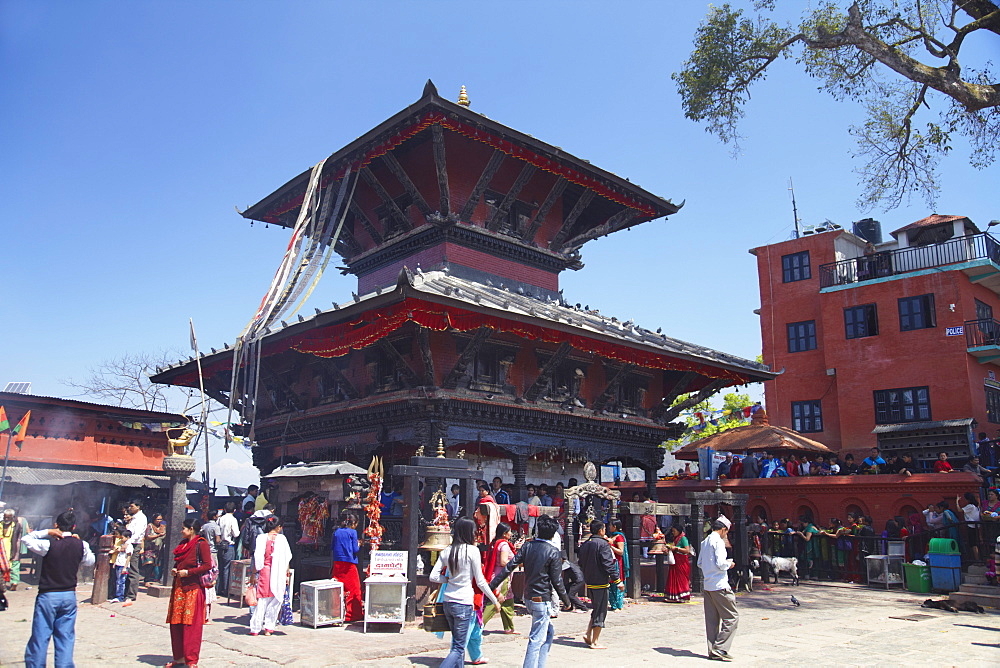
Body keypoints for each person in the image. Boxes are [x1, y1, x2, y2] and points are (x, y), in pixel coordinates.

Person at [489, 514, 571, 668]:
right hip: (541, 599)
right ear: (553, 534)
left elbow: (509, 567)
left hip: (529, 597)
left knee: (547, 633)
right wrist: (566, 601)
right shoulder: (553, 552)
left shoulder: (528, 546)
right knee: (536, 639)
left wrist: (492, 584)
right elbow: (557, 581)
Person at [22, 510, 96, 668]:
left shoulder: (49, 544)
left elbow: (26, 539)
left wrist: (47, 531)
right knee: (65, 637)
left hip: (48, 595)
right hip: (69, 595)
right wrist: (80, 542)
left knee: (40, 636)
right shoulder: (81, 545)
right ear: (74, 526)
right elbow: (90, 561)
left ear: (56, 525)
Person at [430, 517, 500, 668]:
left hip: (448, 601)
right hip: (463, 602)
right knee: (458, 647)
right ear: (469, 532)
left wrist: (447, 580)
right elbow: (480, 582)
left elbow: (433, 576)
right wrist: (494, 600)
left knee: (457, 643)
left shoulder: (447, 550)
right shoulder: (472, 551)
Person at [165, 518, 212, 667]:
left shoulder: (201, 544)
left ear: (191, 529)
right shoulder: (182, 544)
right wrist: (176, 570)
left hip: (193, 588)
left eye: (184, 528)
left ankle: (191, 660)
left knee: (191, 625)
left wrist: (189, 572)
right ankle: (179, 657)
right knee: (176, 623)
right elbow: (178, 561)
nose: (181, 531)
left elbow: (207, 565)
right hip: (179, 587)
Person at [697, 516, 738, 662]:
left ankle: (712, 649)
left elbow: (700, 563)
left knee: (712, 620)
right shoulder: (718, 542)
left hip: (708, 585)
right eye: (726, 532)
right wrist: (729, 564)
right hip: (720, 585)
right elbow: (721, 563)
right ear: (723, 529)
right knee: (732, 617)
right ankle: (720, 648)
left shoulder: (705, 541)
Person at [577, 520, 622, 649]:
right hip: (600, 582)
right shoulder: (602, 544)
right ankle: (595, 641)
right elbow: (608, 564)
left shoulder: (585, 544)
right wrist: (618, 581)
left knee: (596, 609)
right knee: (601, 611)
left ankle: (588, 633)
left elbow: (581, 562)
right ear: (600, 531)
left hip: (589, 581)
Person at [250, 515, 292, 636]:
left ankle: (255, 628)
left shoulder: (261, 538)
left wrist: (254, 573)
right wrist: (286, 573)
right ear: (278, 527)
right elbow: (287, 558)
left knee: (262, 599)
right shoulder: (282, 539)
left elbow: (257, 557)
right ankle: (269, 627)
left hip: (265, 571)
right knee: (276, 599)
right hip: (279, 572)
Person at [482, 522, 517, 633]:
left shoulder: (495, 543)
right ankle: (478, 626)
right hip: (502, 576)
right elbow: (503, 561)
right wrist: (516, 562)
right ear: (504, 534)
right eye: (509, 532)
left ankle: (509, 627)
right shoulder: (504, 545)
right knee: (495, 602)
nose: (511, 534)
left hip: (497, 574)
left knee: (508, 601)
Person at [330, 512, 363, 622]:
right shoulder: (352, 532)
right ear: (353, 523)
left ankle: (337, 612)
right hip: (349, 564)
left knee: (339, 588)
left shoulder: (336, 532)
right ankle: (352, 614)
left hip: (337, 563)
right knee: (354, 588)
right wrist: (359, 544)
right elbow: (355, 550)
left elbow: (332, 546)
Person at [124, 499, 147, 604]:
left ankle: (131, 594)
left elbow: (137, 534)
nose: (130, 508)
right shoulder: (133, 518)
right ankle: (125, 592)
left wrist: (128, 542)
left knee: (133, 568)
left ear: (138, 507)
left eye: (132, 506)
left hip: (134, 544)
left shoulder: (141, 518)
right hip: (129, 542)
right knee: (126, 567)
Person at [1, 507, 29, 591]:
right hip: (2, 549)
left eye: (8, 517)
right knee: (2, 566)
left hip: (13, 548)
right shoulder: (1, 524)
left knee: (14, 566)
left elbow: (16, 539)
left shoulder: (16, 526)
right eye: (5, 517)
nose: (6, 519)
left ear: (12, 517)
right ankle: (3, 583)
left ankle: (14, 583)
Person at [200, 510, 221, 622]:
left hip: (205, 550)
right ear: (214, 516)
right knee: (213, 572)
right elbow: (217, 540)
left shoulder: (204, 526)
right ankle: (213, 591)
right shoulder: (215, 527)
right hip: (213, 551)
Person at [665, 525, 693, 602]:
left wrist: (677, 548)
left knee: (681, 578)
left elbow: (687, 550)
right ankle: (674, 596)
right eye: (672, 531)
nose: (673, 533)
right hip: (675, 561)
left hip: (682, 561)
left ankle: (683, 596)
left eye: (674, 531)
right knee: (674, 577)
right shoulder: (675, 538)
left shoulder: (683, 538)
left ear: (679, 531)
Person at [217, 501, 239, 596]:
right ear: (234, 510)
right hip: (229, 545)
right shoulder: (233, 520)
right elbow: (236, 533)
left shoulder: (220, 519)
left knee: (220, 567)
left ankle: (219, 588)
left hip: (220, 545)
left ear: (225, 509)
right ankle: (226, 590)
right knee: (228, 568)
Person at [606, 519, 629, 611]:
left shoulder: (619, 537)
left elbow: (621, 551)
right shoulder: (613, 536)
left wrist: (611, 546)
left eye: (610, 525)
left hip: (617, 563)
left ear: (614, 527)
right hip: (611, 562)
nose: (609, 527)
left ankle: (618, 605)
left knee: (617, 582)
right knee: (611, 584)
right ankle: (613, 604)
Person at [109, 528, 133, 603]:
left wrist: (125, 567)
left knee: (121, 581)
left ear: (128, 537)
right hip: (119, 564)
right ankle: (117, 595)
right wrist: (116, 563)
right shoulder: (123, 545)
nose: (121, 539)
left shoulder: (129, 546)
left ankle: (120, 596)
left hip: (123, 565)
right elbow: (119, 555)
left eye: (123, 537)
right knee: (118, 581)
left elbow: (129, 557)